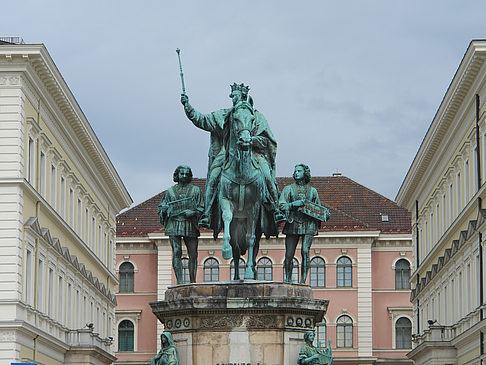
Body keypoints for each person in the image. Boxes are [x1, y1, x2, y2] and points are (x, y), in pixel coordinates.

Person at [180, 83, 284, 234]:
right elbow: (201, 120)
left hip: (253, 153)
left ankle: (276, 209)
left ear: (243, 96)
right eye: (231, 96)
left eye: (234, 95)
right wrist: (187, 106)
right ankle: (207, 213)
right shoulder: (223, 115)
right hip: (227, 153)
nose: (232, 98)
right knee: (213, 177)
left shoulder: (258, 117)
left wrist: (251, 140)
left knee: (267, 175)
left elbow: (267, 141)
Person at [158, 165, 203, 284]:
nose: (184, 176)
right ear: (177, 175)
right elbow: (162, 207)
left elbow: (202, 208)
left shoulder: (196, 191)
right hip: (174, 224)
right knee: (177, 252)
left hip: (190, 224)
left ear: (189, 176)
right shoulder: (170, 192)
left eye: (186, 174)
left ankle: (193, 282)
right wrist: (164, 209)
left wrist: (193, 212)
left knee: (193, 253)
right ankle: (180, 282)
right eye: (181, 174)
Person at [280, 164, 323, 284]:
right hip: (292, 223)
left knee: (305, 251)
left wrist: (325, 214)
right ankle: (288, 280)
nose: (295, 173)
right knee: (289, 254)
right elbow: (281, 205)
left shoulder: (313, 191)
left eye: (299, 171)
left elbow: (318, 209)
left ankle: (303, 281)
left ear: (305, 173)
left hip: (308, 224)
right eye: (295, 171)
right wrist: (294, 204)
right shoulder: (288, 189)